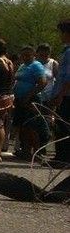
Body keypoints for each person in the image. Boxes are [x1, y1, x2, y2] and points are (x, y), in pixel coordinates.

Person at [12, 46, 48, 160]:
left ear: (34, 55)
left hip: (31, 100)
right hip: (20, 100)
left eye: (28, 55)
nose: (25, 57)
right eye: (23, 55)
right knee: (23, 126)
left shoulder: (36, 65)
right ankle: (25, 151)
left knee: (32, 127)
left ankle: (37, 152)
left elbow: (42, 83)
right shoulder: (23, 66)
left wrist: (28, 96)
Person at [49, 19, 70, 166]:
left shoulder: (69, 52)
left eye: (61, 32)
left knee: (63, 126)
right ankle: (61, 156)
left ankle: (63, 158)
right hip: (64, 94)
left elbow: (68, 76)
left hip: (67, 95)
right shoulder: (66, 50)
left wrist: (61, 94)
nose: (60, 36)